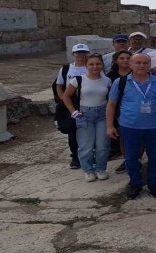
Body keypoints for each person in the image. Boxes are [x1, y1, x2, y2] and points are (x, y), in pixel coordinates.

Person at [106, 53, 156, 199]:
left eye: (145, 63)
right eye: (137, 62)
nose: (141, 65)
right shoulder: (120, 82)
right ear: (131, 65)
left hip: (154, 127)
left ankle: (153, 183)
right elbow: (111, 104)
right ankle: (135, 183)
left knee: (155, 157)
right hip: (129, 127)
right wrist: (110, 126)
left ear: (150, 65)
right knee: (130, 157)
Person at [62, 53, 112, 182]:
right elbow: (66, 96)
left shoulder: (107, 80)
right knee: (86, 146)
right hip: (84, 115)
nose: (95, 66)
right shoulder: (78, 80)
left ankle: (100, 168)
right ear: (86, 65)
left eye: (98, 64)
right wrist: (73, 111)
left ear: (102, 65)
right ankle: (88, 170)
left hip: (103, 115)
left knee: (102, 145)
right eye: (91, 64)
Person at [54, 43, 90, 169]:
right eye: (78, 53)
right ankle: (75, 156)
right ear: (73, 54)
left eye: (83, 52)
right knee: (72, 130)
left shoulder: (91, 66)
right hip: (71, 102)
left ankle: (88, 155)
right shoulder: (66, 69)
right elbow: (59, 85)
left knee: (88, 130)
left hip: (87, 101)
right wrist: (63, 100)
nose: (81, 55)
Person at [106, 49, 132, 171]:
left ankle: (135, 159)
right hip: (116, 110)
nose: (125, 60)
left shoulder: (137, 73)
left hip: (131, 110)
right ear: (116, 60)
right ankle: (127, 159)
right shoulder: (110, 76)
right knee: (122, 137)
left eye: (128, 58)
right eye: (122, 58)